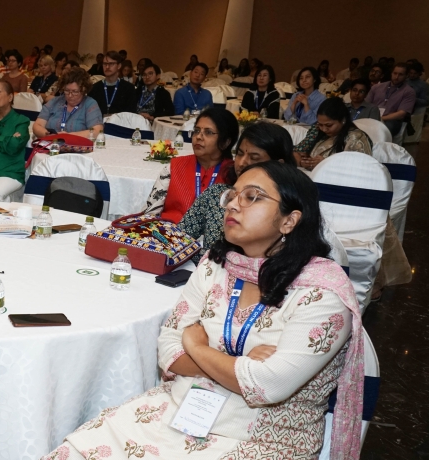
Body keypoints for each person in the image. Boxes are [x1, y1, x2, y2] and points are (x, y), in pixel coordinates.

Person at [45, 160, 363, 460]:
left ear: (289, 220)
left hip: (262, 440)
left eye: (253, 197)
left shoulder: (322, 293)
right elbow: (168, 348)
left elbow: (267, 385)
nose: (233, 205)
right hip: (181, 412)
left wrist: (196, 346)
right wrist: (238, 367)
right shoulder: (217, 264)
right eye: (233, 195)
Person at [180, 122, 296, 262]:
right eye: (239, 154)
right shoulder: (217, 195)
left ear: (279, 165)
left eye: (254, 158)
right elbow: (180, 238)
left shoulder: (286, 207)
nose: (242, 163)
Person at [144, 108, 237, 222]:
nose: (198, 137)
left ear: (225, 142)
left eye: (208, 132)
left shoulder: (233, 173)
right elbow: (151, 213)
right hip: (167, 235)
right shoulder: (174, 167)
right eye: (197, 131)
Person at [294, 97, 373, 171]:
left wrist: (326, 164)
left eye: (329, 125)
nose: (324, 129)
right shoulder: (321, 133)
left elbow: (360, 169)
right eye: (320, 125)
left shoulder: (356, 138)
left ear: (343, 120)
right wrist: (307, 159)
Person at [33, 67, 103, 138]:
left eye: (75, 91)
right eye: (66, 90)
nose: (70, 95)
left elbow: (97, 131)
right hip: (51, 144)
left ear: (84, 90)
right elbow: (37, 125)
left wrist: (67, 136)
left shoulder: (90, 104)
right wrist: (50, 135)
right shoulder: (55, 101)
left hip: (77, 146)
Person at [365, 62, 416, 135]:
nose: (396, 77)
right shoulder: (376, 87)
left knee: (384, 129)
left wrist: (380, 118)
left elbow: (401, 114)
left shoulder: (409, 91)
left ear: (406, 76)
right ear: (391, 73)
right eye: (395, 73)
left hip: (391, 120)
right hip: (372, 116)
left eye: (400, 74)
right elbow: (366, 105)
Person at [88, 51, 136, 115]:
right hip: (98, 123)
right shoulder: (94, 88)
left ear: (119, 66)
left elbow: (131, 114)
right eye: (105, 64)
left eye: (111, 64)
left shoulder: (129, 88)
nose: (107, 67)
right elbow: (89, 113)